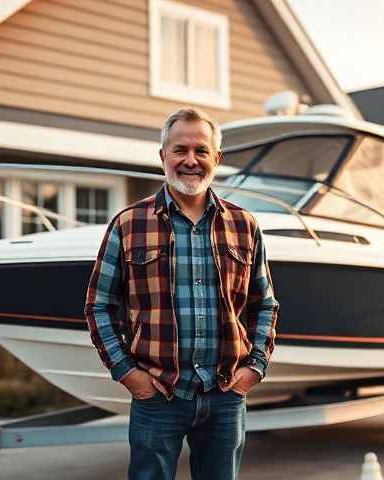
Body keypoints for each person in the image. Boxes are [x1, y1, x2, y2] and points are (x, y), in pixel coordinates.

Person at [85, 107, 279, 480]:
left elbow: (264, 303)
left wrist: (254, 367)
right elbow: (99, 306)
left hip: (226, 395)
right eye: (180, 150)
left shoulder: (244, 225)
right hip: (157, 397)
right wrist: (128, 374)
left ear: (216, 159)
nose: (190, 160)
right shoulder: (128, 225)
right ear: (163, 156)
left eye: (201, 151)